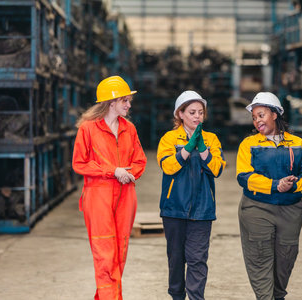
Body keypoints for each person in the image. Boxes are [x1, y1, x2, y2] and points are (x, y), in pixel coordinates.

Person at [236, 92, 302, 300]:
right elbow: (244, 177)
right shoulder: (249, 144)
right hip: (257, 208)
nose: (257, 121)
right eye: (254, 117)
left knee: (286, 258)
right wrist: (275, 185)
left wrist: (294, 185)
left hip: (290, 210)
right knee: (260, 257)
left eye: (261, 115)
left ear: (275, 114)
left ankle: (278, 296)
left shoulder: (298, 143)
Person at [72, 75, 147, 299]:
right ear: (111, 102)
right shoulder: (87, 129)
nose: (129, 105)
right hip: (98, 196)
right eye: (125, 100)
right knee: (105, 253)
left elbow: (140, 161)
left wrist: (129, 173)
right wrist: (112, 171)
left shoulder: (129, 129)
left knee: (119, 252)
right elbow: (79, 163)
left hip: (126, 195)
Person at [157, 90, 226, 300]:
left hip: (202, 210)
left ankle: (197, 297)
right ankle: (177, 296)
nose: (197, 117)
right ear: (180, 114)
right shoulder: (169, 139)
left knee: (197, 259)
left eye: (200, 112)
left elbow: (217, 169)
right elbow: (168, 166)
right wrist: (187, 148)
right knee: (176, 258)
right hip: (174, 209)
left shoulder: (212, 139)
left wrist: (203, 149)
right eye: (192, 112)